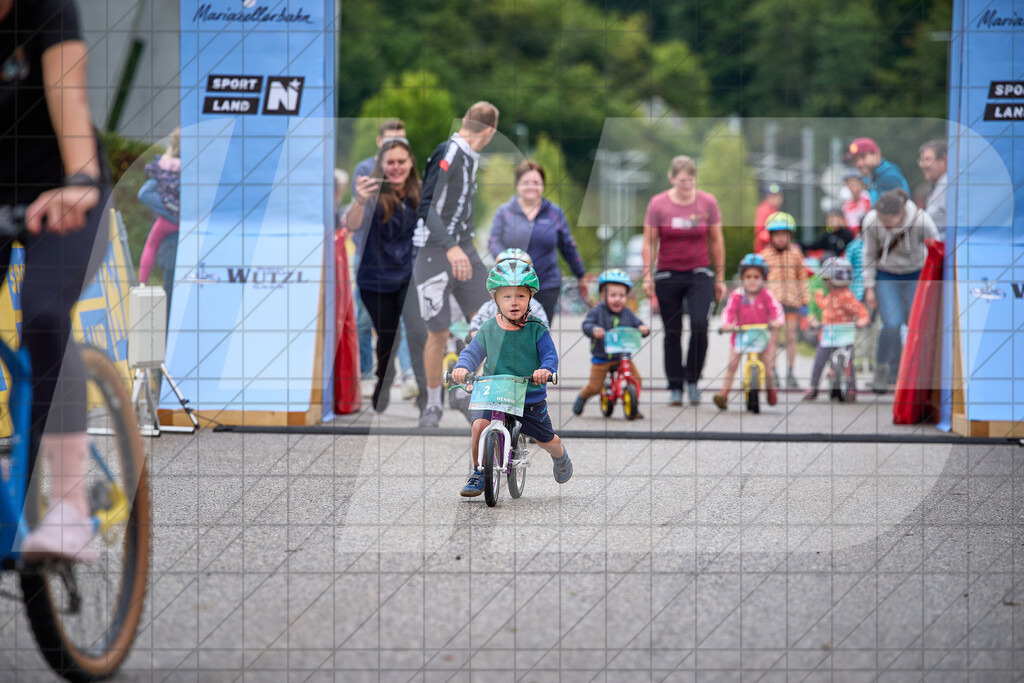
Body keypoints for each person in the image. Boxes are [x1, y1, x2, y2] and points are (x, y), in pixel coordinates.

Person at [1, 0, 110, 562]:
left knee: (42, 312)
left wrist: (80, 179)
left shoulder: (47, 8)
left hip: (63, 193)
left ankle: (69, 506)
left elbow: (69, 97)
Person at [451, 259, 571, 496]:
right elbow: (471, 353)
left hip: (529, 395)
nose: (514, 302)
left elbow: (549, 356)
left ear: (530, 299)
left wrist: (544, 370)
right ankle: (478, 471)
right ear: (495, 299)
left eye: (520, 296)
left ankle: (561, 457)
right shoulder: (487, 329)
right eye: (506, 297)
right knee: (478, 426)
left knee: (546, 440)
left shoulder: (538, 329)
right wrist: (462, 368)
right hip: (494, 392)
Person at [413, 102, 500, 428]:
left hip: (464, 247)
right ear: (489, 132)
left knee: (487, 318)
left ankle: (464, 391)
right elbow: (426, 204)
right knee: (437, 330)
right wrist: (450, 247)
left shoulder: (470, 157)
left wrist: (462, 245)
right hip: (435, 250)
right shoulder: (449, 152)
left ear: (467, 121)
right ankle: (432, 405)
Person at [346, 138, 427, 413]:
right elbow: (351, 223)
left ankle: (423, 390)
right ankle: (384, 377)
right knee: (388, 336)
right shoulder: (372, 192)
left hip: (407, 274)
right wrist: (359, 200)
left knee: (418, 329)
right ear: (381, 165)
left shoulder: (419, 192)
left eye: (400, 161)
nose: (395, 167)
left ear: (410, 163)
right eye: (389, 162)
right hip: (375, 279)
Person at [642, 155, 726, 406]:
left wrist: (720, 276)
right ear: (671, 179)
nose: (686, 186)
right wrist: (648, 275)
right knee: (673, 331)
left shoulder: (707, 202)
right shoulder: (658, 204)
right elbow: (649, 241)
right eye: (681, 182)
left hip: (699, 272)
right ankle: (676, 385)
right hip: (668, 273)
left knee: (700, 324)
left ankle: (693, 381)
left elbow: (716, 240)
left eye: (690, 181)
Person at [488, 160, 595, 321]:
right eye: (526, 182)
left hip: (546, 285)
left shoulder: (554, 213)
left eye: (536, 182)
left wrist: (581, 275)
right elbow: (493, 241)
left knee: (540, 333)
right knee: (512, 332)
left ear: (543, 185)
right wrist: (503, 257)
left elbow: (568, 247)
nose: (531, 186)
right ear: (517, 184)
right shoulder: (504, 212)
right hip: (511, 284)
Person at [861, 189, 939, 392]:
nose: (884, 223)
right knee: (891, 322)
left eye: (889, 220)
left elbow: (936, 248)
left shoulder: (921, 220)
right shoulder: (871, 221)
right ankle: (882, 370)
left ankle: (910, 372)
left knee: (915, 323)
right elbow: (868, 254)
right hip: (886, 274)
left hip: (915, 273)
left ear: (901, 213)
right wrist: (869, 287)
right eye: (881, 218)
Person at [572, 268, 650, 416]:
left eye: (622, 295)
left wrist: (643, 328)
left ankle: (633, 405)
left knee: (636, 379)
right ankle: (582, 397)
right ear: (602, 295)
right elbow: (587, 325)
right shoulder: (597, 311)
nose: (618, 299)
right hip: (602, 358)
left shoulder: (628, 313)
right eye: (613, 295)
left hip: (622, 356)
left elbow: (638, 324)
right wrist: (594, 330)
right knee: (595, 386)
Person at [713, 254, 784, 410]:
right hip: (741, 334)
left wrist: (776, 321)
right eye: (748, 276)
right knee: (732, 365)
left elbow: (776, 310)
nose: (752, 280)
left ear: (763, 278)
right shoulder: (737, 295)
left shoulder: (767, 295)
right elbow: (729, 311)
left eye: (756, 276)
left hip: (761, 335)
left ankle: (771, 390)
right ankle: (723, 395)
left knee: (768, 367)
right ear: (742, 278)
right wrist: (727, 324)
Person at [803, 257, 870, 401]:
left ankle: (849, 388)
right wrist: (816, 312)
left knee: (846, 362)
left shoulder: (847, 296)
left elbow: (860, 310)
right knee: (820, 359)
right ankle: (814, 386)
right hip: (828, 335)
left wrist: (862, 320)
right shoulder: (832, 295)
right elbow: (823, 305)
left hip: (845, 334)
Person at [759, 211, 808, 389]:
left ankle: (790, 371)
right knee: (772, 339)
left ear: (790, 235)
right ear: (770, 236)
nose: (781, 238)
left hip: (792, 302)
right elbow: (760, 281)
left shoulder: (796, 254)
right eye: (777, 234)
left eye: (784, 234)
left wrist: (805, 301)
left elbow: (802, 277)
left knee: (791, 338)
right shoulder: (764, 256)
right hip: (772, 304)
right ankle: (772, 372)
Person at [138, 128, 181, 315]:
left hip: (168, 221)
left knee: (151, 245)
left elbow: (150, 248)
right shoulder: (196, 167)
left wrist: (170, 211)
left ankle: (141, 281)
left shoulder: (163, 166)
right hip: (182, 224)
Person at [467, 248, 548, 337]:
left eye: (520, 296)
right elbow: (475, 327)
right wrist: (476, 336)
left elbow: (544, 332)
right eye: (507, 296)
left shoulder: (535, 307)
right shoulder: (489, 308)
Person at [846, 137, 909, 204]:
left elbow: (897, 210)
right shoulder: (874, 176)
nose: (859, 163)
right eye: (855, 160)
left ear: (876, 154)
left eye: (863, 157)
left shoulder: (888, 176)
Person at [917, 138, 948, 231]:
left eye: (927, 159)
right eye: (921, 160)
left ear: (944, 160)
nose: (923, 165)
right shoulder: (937, 185)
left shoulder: (949, 187)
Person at [753, 182, 784, 254]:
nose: (777, 199)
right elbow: (760, 233)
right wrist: (778, 239)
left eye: (778, 196)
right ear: (767, 197)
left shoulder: (775, 210)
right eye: (773, 196)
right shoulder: (763, 210)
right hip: (765, 252)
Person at [841, 168, 871, 235]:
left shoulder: (867, 197)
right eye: (849, 184)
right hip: (851, 238)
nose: (851, 186)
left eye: (854, 183)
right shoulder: (846, 203)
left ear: (861, 183)